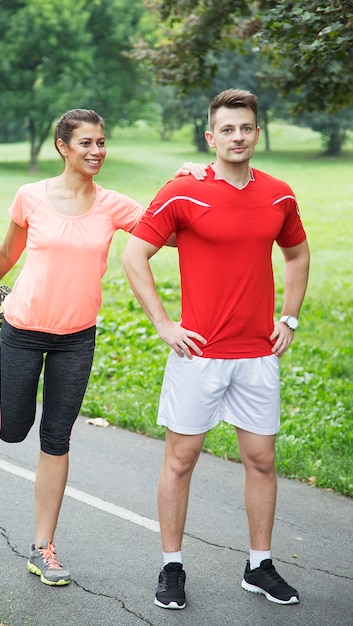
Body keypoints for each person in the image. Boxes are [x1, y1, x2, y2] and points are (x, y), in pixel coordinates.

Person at [0, 108, 202, 587]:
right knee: (10, 431)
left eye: (101, 142)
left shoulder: (113, 205)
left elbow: (171, 233)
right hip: (21, 326)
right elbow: (7, 252)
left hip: (77, 339)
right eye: (86, 143)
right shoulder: (31, 197)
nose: (96, 151)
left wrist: (183, 186)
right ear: (63, 146)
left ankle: (43, 547)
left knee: (56, 439)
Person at [122, 88, 310, 609]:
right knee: (181, 460)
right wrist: (163, 324)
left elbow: (297, 255)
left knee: (262, 460)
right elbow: (135, 256)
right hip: (197, 354)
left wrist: (289, 316)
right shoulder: (184, 191)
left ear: (257, 132)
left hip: (257, 354)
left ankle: (259, 566)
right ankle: (172, 567)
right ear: (211, 136)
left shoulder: (278, 194)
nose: (238, 137)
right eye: (227, 129)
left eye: (246, 127)